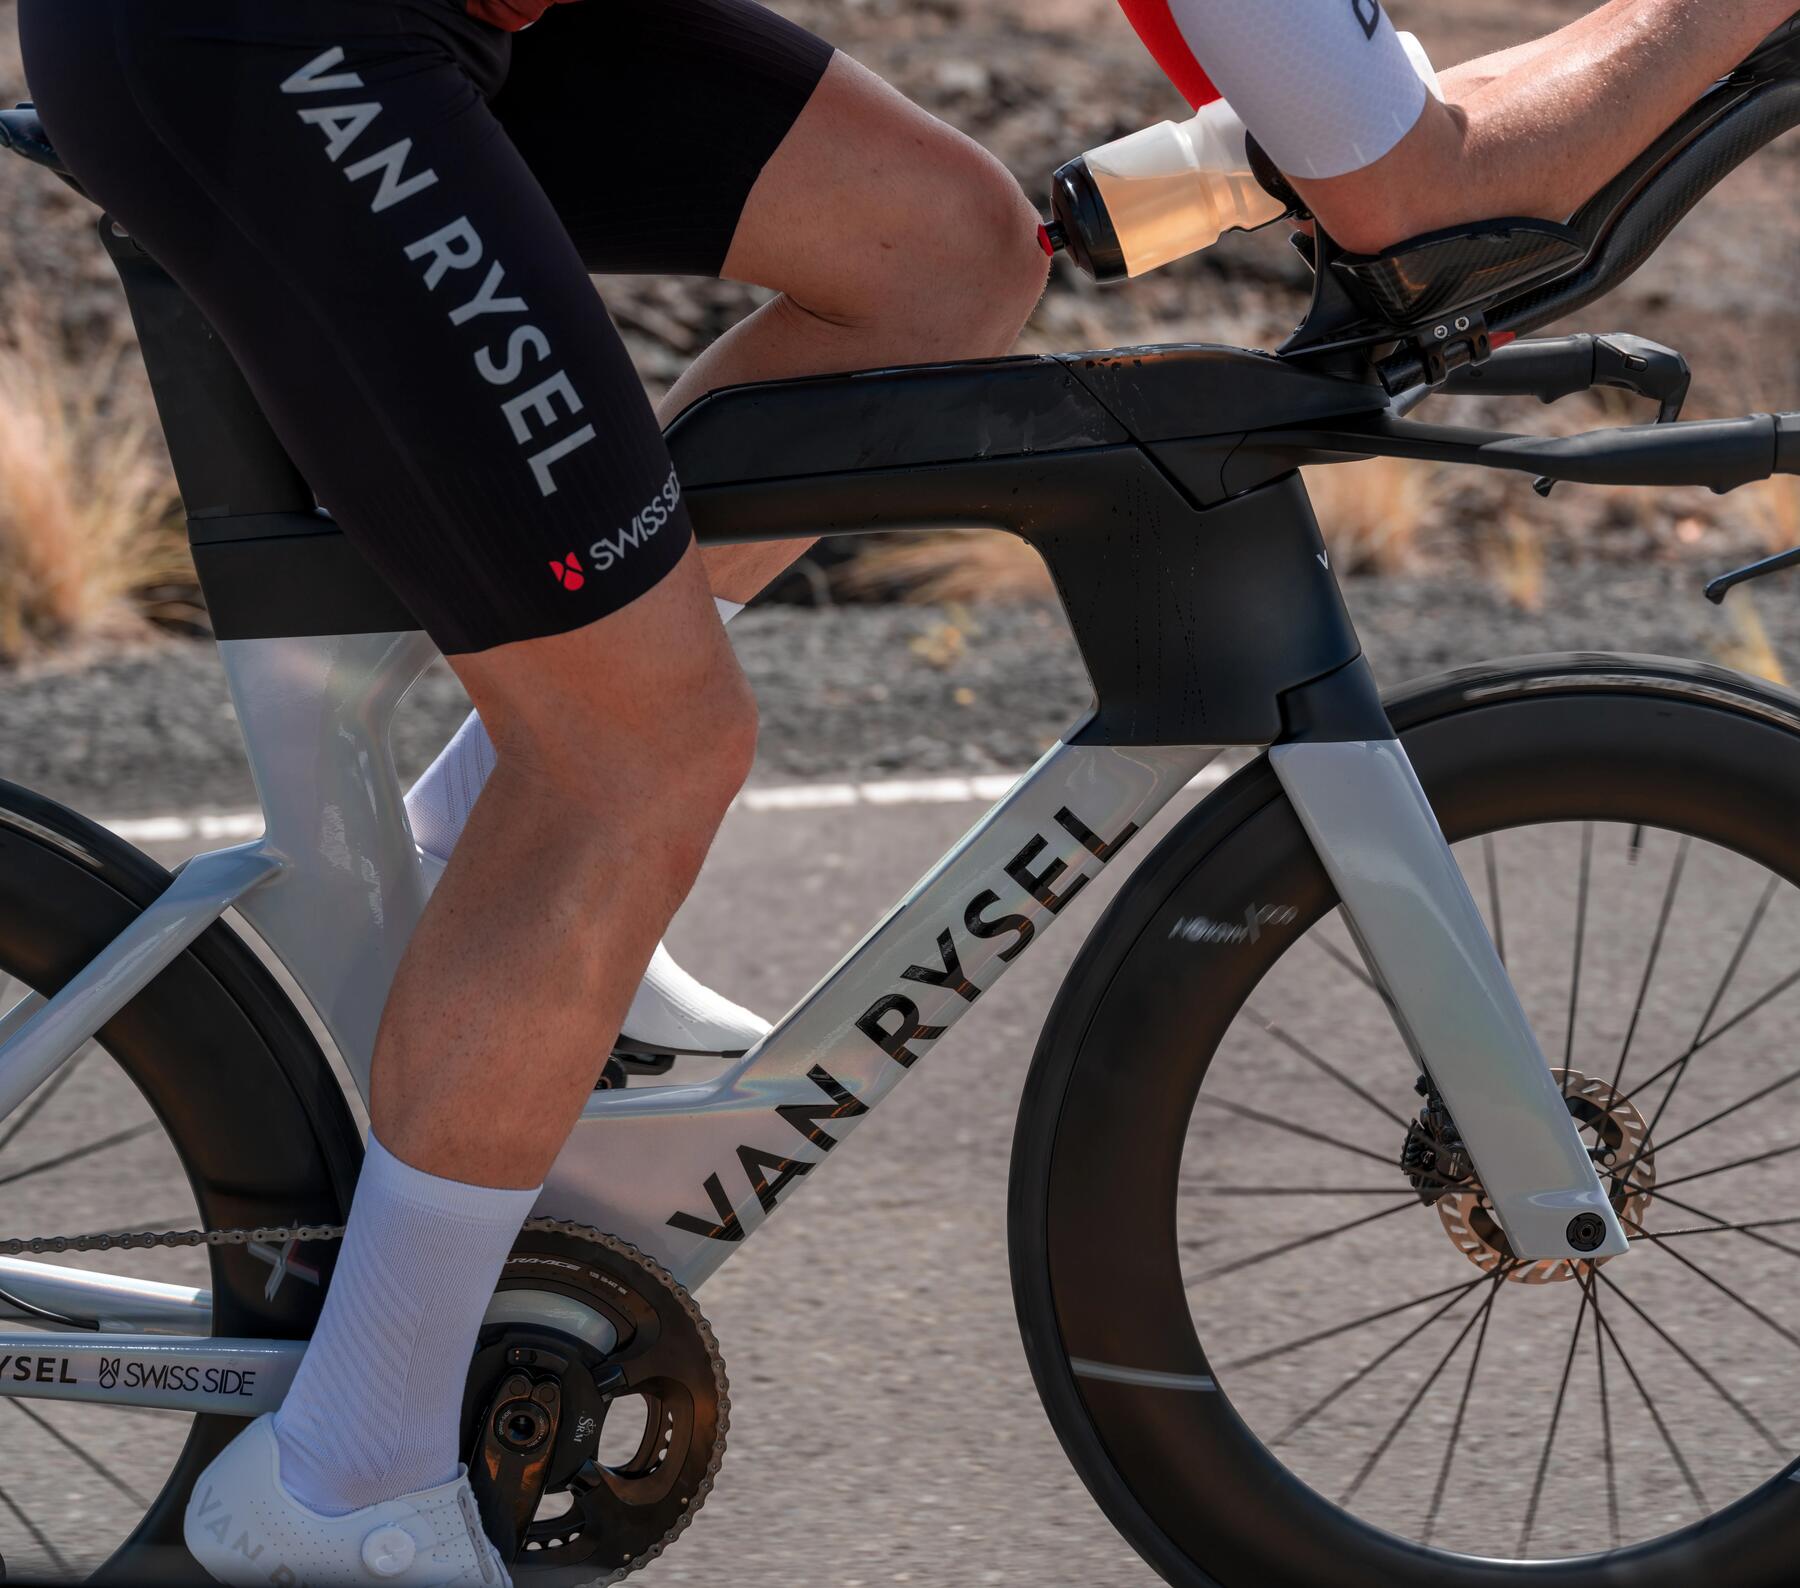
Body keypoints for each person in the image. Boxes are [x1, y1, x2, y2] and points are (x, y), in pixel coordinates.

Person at [13, 1, 1794, 1584]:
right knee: (638, 753)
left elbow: (1355, 118)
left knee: (939, 248)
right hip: (275, 43)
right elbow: (1416, 180)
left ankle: (500, 854)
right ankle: (348, 1479)